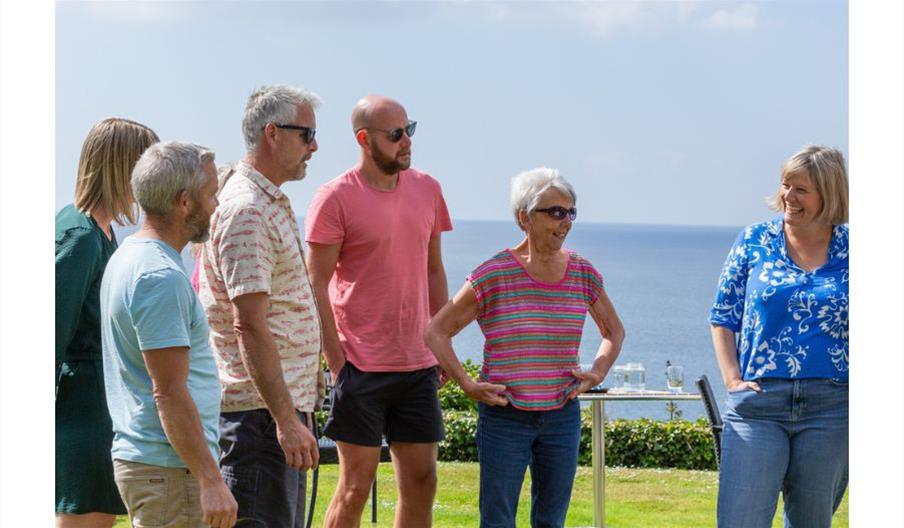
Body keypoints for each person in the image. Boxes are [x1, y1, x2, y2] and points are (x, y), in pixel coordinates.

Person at [424, 167, 625, 528]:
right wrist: (467, 384)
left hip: (562, 415)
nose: (565, 222)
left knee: (551, 521)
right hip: (505, 416)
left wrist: (597, 372)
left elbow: (614, 331)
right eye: (556, 212)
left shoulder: (582, 272)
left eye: (571, 212)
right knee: (498, 520)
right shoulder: (494, 274)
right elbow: (437, 331)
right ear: (524, 218)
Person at [305, 94, 452, 528]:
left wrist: (439, 343)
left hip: (417, 364)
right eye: (395, 135)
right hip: (360, 366)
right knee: (355, 486)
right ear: (364, 139)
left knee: (423, 481)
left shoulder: (428, 189)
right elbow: (315, 284)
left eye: (409, 130)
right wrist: (337, 362)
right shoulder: (334, 197)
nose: (406, 141)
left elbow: (434, 269)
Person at [198, 85, 322, 527]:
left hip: (272, 415)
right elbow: (248, 325)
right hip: (260, 421)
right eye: (306, 134)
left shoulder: (262, 199)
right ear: (273, 133)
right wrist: (286, 420)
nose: (314, 146)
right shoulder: (247, 209)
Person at [709, 145, 849, 528]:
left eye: (801, 189)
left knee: (810, 521)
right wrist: (731, 379)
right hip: (758, 404)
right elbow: (723, 316)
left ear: (829, 192)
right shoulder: (754, 240)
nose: (789, 196)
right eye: (786, 185)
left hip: (832, 407)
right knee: (741, 520)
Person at [100, 141, 238, 528]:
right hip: (170, 470)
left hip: (159, 465)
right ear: (183, 202)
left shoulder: (130, 256)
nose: (216, 206)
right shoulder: (159, 277)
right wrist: (211, 480)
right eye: (211, 195)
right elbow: (169, 392)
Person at [55, 117, 158, 528]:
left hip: (101, 412)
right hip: (82, 418)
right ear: (124, 167)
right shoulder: (79, 237)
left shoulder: (102, 232)